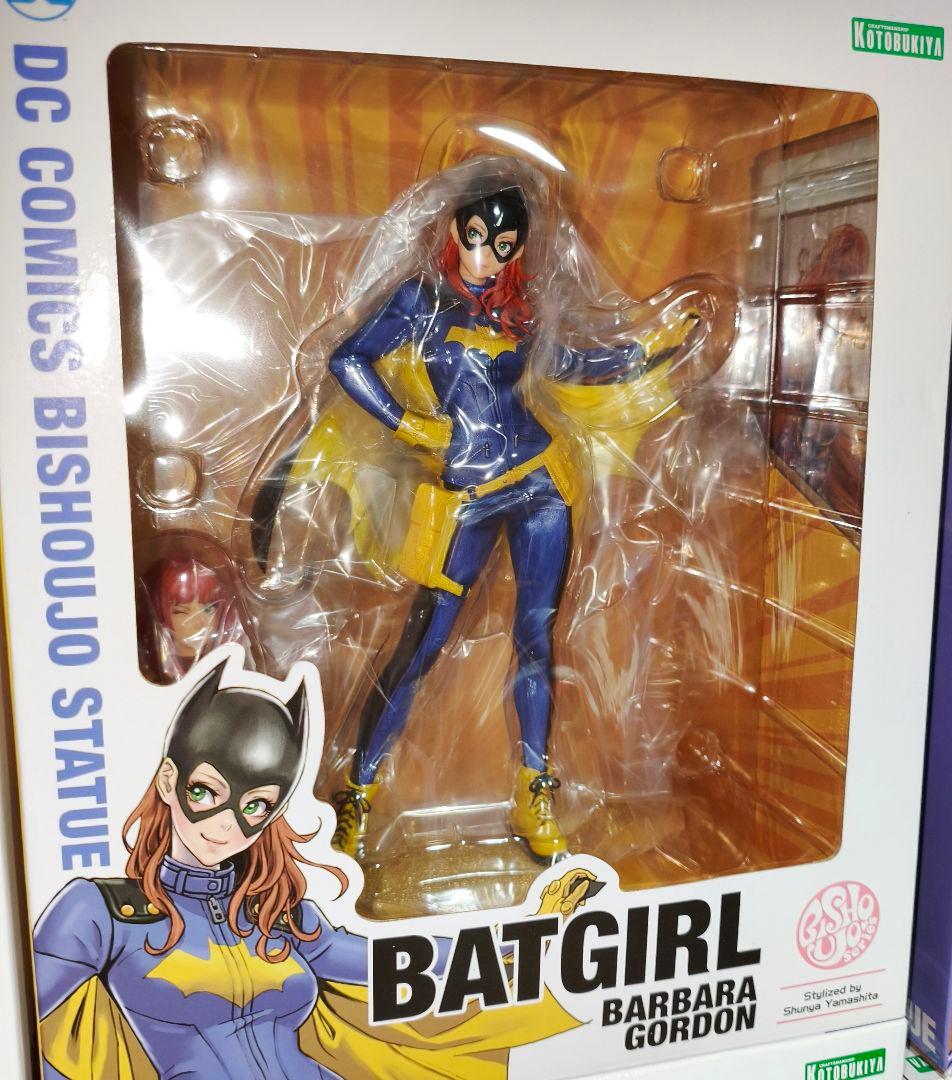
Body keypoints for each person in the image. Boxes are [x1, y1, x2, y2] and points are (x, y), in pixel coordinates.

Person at [322, 176, 723, 861]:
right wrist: (409, 423)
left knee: (537, 640)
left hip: (539, 482)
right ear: (453, 231)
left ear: (518, 250)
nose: (485, 257)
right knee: (421, 645)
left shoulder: (522, 312)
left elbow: (575, 364)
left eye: (502, 245)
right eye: (475, 238)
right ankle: (357, 791)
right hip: (466, 493)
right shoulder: (420, 302)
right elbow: (346, 358)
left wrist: (655, 347)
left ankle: (533, 789)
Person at [33, 657, 592, 1079]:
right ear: (168, 780)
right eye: (206, 792)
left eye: (255, 806)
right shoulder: (102, 914)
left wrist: (523, 936)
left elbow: (391, 963)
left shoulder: (275, 913)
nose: (226, 825)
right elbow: (49, 1041)